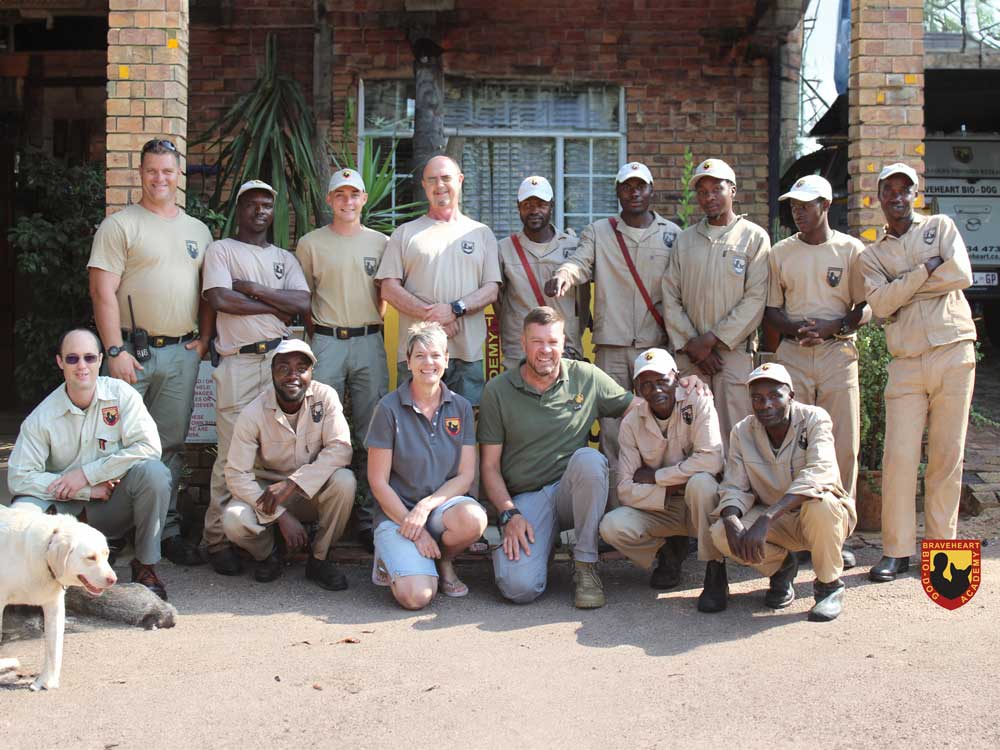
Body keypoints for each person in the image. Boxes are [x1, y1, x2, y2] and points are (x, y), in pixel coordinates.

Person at [88, 138, 213, 568]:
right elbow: (102, 292)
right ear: (140, 173)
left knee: (170, 446)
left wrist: (204, 339)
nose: (160, 178)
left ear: (180, 175)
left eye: (168, 171)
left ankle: (165, 528)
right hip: (130, 355)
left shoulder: (199, 231)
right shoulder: (120, 225)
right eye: (152, 170)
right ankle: (111, 530)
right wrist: (114, 349)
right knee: (113, 442)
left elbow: (208, 291)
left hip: (181, 353)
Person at [860, 163, 977, 583]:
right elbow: (879, 305)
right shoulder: (871, 255)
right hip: (907, 361)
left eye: (904, 189)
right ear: (879, 197)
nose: (897, 196)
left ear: (915, 194)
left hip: (953, 350)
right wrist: (926, 270)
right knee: (899, 458)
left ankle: (942, 549)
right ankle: (896, 551)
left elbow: (961, 274)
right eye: (889, 189)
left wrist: (901, 289)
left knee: (947, 456)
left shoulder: (940, 227)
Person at [7, 329, 172, 599]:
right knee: (22, 509)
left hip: (111, 505)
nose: (81, 366)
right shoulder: (42, 417)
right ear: (60, 362)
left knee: (155, 474)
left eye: (89, 357)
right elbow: (19, 476)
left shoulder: (122, 396)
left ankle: (145, 566)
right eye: (72, 359)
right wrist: (85, 489)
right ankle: (28, 581)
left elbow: (149, 447)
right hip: (63, 512)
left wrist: (87, 474)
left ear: (100, 360)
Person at [199, 180, 312, 576]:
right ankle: (217, 540)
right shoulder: (222, 250)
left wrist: (251, 289)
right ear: (239, 208)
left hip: (280, 364)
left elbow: (301, 302)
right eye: (252, 204)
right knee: (232, 455)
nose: (261, 210)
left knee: (274, 452)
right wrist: (274, 305)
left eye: (267, 204)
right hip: (241, 362)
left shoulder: (284, 257)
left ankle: (265, 534)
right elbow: (219, 298)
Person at [545, 162, 680, 488]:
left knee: (662, 424)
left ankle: (659, 504)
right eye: (627, 187)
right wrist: (563, 275)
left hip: (655, 345)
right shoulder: (599, 232)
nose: (634, 193)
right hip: (612, 346)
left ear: (651, 190)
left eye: (640, 186)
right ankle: (616, 506)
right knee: (612, 429)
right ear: (618, 192)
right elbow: (579, 264)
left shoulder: (673, 235)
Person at [708, 363, 856, 621]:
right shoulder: (742, 431)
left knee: (821, 504)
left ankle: (829, 586)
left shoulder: (814, 418)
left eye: (775, 396)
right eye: (757, 398)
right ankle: (781, 567)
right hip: (776, 521)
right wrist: (730, 519)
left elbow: (820, 473)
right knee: (721, 533)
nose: (765, 405)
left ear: (791, 396)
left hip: (816, 517)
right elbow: (734, 485)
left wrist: (767, 518)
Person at [295, 168, 389, 548]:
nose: (347, 201)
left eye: (354, 195)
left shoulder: (381, 243)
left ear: (363, 199)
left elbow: (384, 294)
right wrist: (320, 334)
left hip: (369, 340)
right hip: (327, 341)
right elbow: (303, 297)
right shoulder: (310, 243)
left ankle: (367, 518)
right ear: (329, 200)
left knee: (373, 433)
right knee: (317, 430)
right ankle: (319, 514)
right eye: (340, 195)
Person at [366, 322, 487, 610]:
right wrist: (416, 530)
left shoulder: (461, 407)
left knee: (473, 518)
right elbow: (378, 482)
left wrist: (426, 506)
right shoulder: (388, 408)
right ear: (408, 362)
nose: (428, 362)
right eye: (419, 355)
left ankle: (442, 560)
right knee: (417, 597)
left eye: (435, 355)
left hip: (439, 510)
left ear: (447, 359)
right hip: (397, 515)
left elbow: (466, 475)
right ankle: (391, 557)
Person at [764, 175, 869, 501]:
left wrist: (834, 326)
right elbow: (771, 310)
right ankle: (798, 519)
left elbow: (864, 307)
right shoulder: (781, 252)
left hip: (837, 353)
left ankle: (841, 519)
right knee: (795, 438)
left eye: (805, 206)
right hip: (793, 354)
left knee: (843, 441)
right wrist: (796, 329)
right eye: (794, 207)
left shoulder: (851, 249)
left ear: (825, 205)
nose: (798, 213)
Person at [222, 339, 356, 590]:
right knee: (233, 519)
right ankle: (269, 554)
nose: (292, 376)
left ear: (311, 372)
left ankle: (319, 558)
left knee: (344, 481)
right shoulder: (253, 412)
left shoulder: (325, 397)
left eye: (301, 368)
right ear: (272, 372)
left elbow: (340, 449)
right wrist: (280, 516)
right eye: (283, 368)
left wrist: (293, 483)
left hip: (310, 492)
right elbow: (236, 474)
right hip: (270, 496)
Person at [599, 348, 725, 605]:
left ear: (676, 378)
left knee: (702, 483)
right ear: (636, 388)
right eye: (645, 384)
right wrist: (672, 487)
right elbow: (624, 489)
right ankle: (667, 552)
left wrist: (657, 477)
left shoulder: (698, 400)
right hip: (662, 507)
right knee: (612, 526)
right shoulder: (631, 423)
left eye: (661, 380)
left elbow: (712, 460)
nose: (655, 389)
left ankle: (715, 569)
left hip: (698, 504)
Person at [662, 158, 771, 450]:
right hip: (691, 354)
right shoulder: (685, 240)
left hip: (731, 354)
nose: (708, 197)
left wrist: (712, 340)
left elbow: (756, 298)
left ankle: (734, 482)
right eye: (702, 191)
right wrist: (693, 344)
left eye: (716, 189)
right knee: (690, 433)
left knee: (734, 434)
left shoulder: (753, 237)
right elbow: (670, 295)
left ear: (732, 190)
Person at [376, 155, 501, 405]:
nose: (439, 185)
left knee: (464, 423)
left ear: (460, 180)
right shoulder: (405, 233)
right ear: (424, 185)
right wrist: (434, 318)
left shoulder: (481, 233)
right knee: (413, 422)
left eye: (445, 178)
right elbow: (388, 289)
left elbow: (491, 290)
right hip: (418, 355)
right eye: (432, 179)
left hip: (467, 354)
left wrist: (455, 310)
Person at [496, 176, 587, 370]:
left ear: (552, 205)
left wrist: (572, 335)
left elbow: (583, 300)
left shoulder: (573, 247)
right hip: (520, 352)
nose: (534, 211)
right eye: (527, 205)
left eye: (541, 204)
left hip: (564, 349)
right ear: (518, 207)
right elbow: (498, 301)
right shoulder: (503, 249)